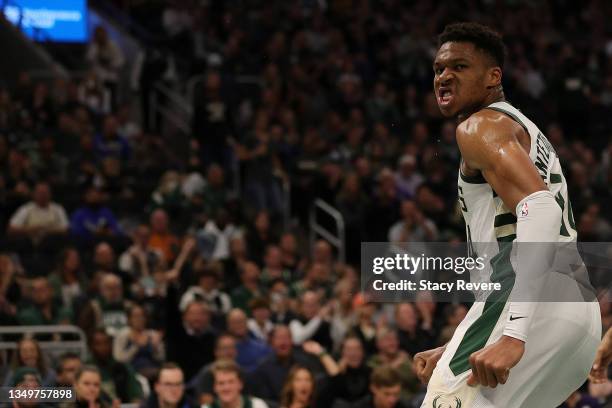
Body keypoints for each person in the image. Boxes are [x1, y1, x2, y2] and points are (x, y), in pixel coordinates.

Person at [415, 22, 601, 407]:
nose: (444, 76)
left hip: (532, 307)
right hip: (578, 313)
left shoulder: (480, 125)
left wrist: (514, 334)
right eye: (438, 69)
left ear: (493, 77)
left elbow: (541, 213)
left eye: (459, 67)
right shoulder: (523, 129)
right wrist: (457, 343)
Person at [203, 360, 268, 408]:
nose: (226, 388)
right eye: (221, 383)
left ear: (240, 384)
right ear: (214, 387)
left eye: (231, 382)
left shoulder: (256, 405)